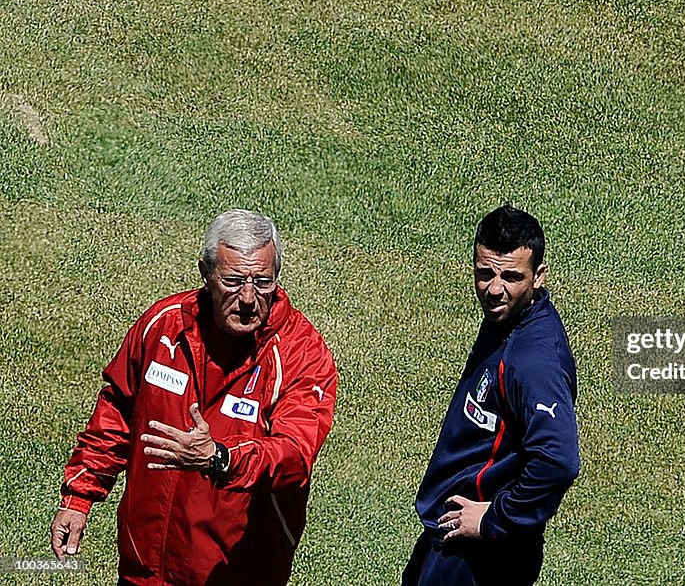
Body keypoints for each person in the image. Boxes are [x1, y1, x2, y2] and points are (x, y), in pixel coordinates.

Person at [50, 209, 337, 586]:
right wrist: (78, 497)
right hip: (143, 569)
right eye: (234, 281)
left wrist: (220, 459)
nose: (249, 298)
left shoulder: (301, 353)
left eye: (262, 282)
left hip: (236, 574)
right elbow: (118, 411)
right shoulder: (163, 325)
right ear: (206, 273)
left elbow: (294, 455)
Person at [403, 204, 580, 586]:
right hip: (454, 535)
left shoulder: (533, 361)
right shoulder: (505, 320)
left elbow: (559, 459)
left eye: (511, 276)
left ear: (538, 276)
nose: (494, 289)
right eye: (485, 273)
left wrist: (494, 518)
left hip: (483, 551)